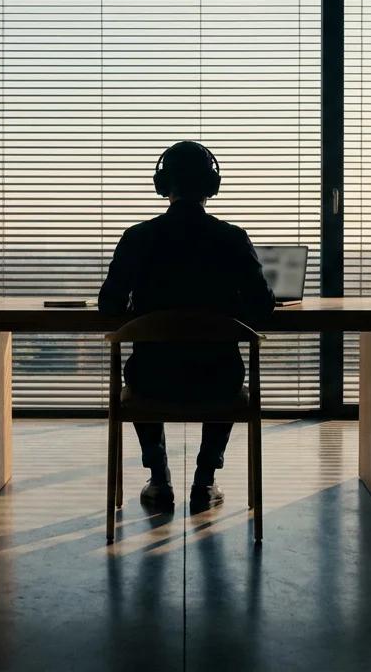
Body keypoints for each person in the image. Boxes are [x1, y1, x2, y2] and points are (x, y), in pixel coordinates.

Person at [98, 140, 275, 511]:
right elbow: (263, 306)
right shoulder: (231, 237)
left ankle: (159, 480)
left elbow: (108, 304)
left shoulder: (138, 237)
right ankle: (205, 480)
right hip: (218, 381)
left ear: (163, 184)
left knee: (144, 368)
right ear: (212, 185)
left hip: (151, 380)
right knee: (226, 370)